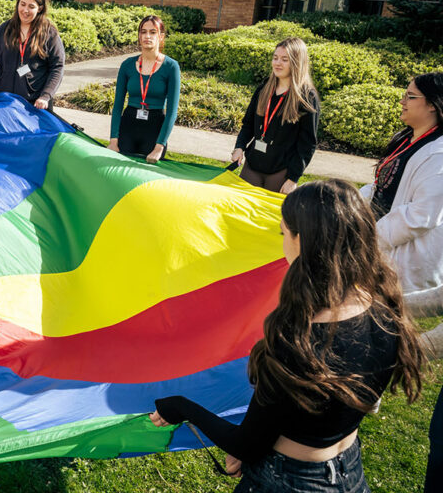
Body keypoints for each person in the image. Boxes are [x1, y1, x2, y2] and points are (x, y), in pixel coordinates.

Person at [149, 179, 425, 493]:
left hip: (289, 480)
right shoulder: (385, 309)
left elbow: (247, 447)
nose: (283, 244)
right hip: (349, 471)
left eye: (284, 233)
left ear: (300, 240)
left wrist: (182, 407)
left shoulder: (297, 342)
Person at [353, 72, 443, 492]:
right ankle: (362, 384)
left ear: (434, 105)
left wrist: (369, 234)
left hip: (400, 256)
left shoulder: (439, 153)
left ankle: (366, 393)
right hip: (377, 242)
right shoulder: (407, 140)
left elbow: (421, 215)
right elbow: (381, 184)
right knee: (369, 317)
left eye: (411, 96)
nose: (403, 101)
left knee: (384, 321)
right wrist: (353, 204)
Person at [231, 37, 319, 194]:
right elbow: (248, 124)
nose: (277, 63)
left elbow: (307, 144)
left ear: (297, 63)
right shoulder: (264, 87)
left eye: (285, 59)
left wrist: (293, 178)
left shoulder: (306, 97)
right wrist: (239, 147)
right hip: (253, 165)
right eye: (275, 58)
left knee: (268, 218)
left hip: (280, 172)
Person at [0, 0, 65, 112]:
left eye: (31, 7)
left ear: (40, 9)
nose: (25, 10)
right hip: (4, 101)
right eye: (22, 4)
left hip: (34, 105)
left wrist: (45, 96)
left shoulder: (49, 33)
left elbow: (57, 67)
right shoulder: (5, 29)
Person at [108, 15, 180, 163]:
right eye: (143, 32)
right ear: (139, 36)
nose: (147, 36)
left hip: (154, 130)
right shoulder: (127, 65)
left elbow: (172, 111)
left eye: (153, 32)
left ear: (161, 36)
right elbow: (117, 106)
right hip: (128, 126)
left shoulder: (171, 67)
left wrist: (159, 147)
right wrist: (113, 140)